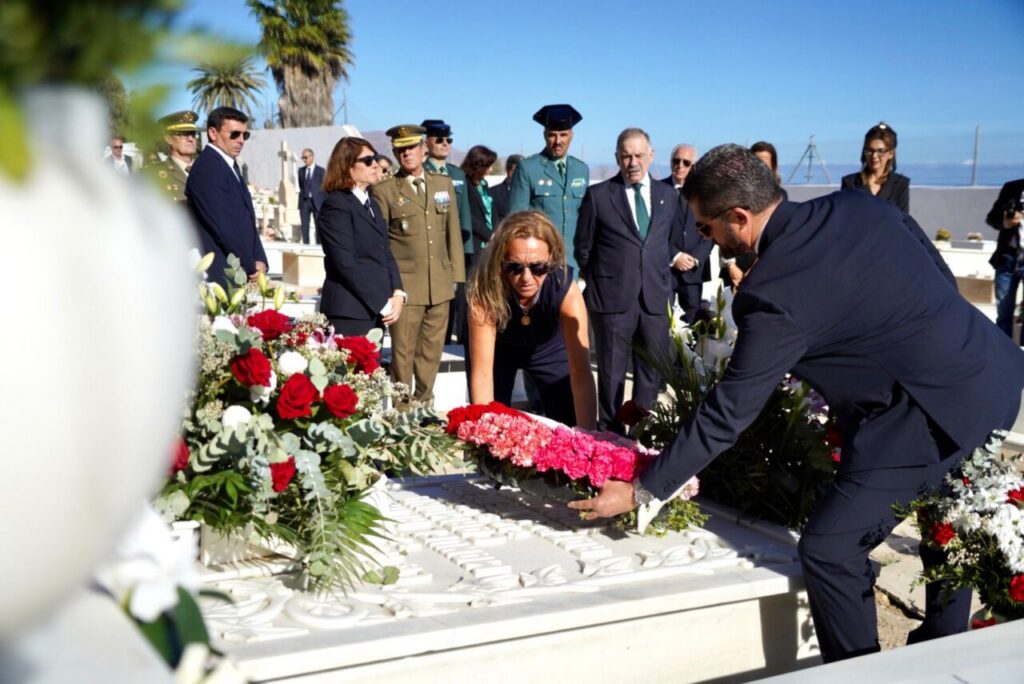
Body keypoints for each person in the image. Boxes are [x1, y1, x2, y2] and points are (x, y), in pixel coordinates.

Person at [570, 143, 1024, 663]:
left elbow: (729, 411)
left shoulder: (772, 292)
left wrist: (643, 490)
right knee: (948, 520)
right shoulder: (860, 206)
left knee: (831, 549)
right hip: (992, 373)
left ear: (739, 217)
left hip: (923, 414)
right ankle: (942, 653)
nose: (703, 238)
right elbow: (937, 280)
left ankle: (866, 675)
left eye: (705, 227)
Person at [575, 128, 677, 434]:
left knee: (650, 375)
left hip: (655, 301)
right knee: (611, 373)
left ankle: (641, 436)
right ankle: (610, 437)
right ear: (617, 157)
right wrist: (604, 281)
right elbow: (583, 248)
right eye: (626, 156)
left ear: (651, 156)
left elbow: (668, 244)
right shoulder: (598, 196)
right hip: (612, 301)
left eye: (638, 155)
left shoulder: (668, 196)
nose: (632, 162)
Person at [467, 210, 596, 428]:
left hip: (549, 347)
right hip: (500, 349)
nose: (526, 278)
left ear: (551, 259)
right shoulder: (484, 290)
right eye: (514, 267)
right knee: (491, 424)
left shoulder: (565, 290)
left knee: (569, 418)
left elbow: (580, 373)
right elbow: (482, 374)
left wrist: (588, 437)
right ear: (501, 262)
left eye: (538, 267)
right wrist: (484, 438)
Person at [372, 124, 465, 405]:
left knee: (431, 351)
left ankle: (424, 405)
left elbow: (453, 231)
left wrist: (456, 276)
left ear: (423, 149)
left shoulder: (442, 184)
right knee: (402, 353)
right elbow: (381, 244)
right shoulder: (385, 191)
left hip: (439, 284)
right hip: (405, 287)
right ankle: (401, 411)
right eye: (400, 149)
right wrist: (390, 287)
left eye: (411, 147)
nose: (406, 153)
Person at [317, 136, 405, 337]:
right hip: (350, 312)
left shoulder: (371, 204)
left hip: (375, 310)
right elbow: (345, 263)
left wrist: (398, 292)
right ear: (348, 166)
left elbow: (385, 252)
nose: (375, 165)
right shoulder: (337, 205)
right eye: (367, 161)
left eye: (375, 159)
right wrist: (381, 302)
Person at [185, 106, 267, 286]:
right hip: (222, 272)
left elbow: (247, 220)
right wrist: (250, 264)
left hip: (239, 268)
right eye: (234, 134)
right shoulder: (207, 169)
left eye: (244, 135)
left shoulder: (229, 165)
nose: (240, 140)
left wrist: (261, 259)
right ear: (213, 133)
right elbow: (225, 226)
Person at [509, 104, 589, 270]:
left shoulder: (581, 169)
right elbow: (516, 222)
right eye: (552, 135)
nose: (558, 141)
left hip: (572, 263)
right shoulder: (528, 168)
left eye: (563, 135)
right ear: (544, 135)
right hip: (540, 265)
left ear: (571, 136)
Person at [421, 119, 474, 344]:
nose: (445, 144)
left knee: (453, 299)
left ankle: (447, 344)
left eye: (448, 140)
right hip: (430, 249)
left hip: (454, 249)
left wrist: (466, 252)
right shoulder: (421, 172)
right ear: (427, 143)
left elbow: (464, 215)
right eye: (439, 140)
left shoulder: (457, 174)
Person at [723, 140, 787, 289]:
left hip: (764, 268)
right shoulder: (733, 194)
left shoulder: (781, 197)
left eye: (764, 163)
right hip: (734, 267)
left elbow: (780, 236)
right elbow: (724, 229)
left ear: (773, 167)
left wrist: (756, 268)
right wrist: (731, 265)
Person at [663, 143, 711, 323]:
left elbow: (712, 230)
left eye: (686, 162)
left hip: (693, 272)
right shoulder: (657, 190)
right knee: (662, 322)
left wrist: (695, 258)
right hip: (664, 270)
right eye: (676, 161)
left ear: (694, 166)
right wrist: (675, 256)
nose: (680, 166)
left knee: (693, 326)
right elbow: (651, 232)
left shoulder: (705, 194)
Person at [985, 177, 1024, 342]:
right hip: (1008, 257)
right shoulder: (1012, 188)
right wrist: (1006, 222)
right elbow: (991, 218)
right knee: (1004, 312)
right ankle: (1004, 356)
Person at [841, 122, 909, 213]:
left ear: (891, 153)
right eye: (870, 150)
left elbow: (903, 221)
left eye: (881, 151)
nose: (874, 156)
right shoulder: (850, 183)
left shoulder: (900, 184)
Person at [147, 110, 199, 203]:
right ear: (168, 139)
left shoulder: (208, 171)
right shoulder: (152, 175)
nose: (190, 139)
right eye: (183, 134)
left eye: (193, 134)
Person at [462, 145, 499, 256]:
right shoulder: (464, 184)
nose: (491, 170)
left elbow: (491, 211)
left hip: (490, 244)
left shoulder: (484, 185)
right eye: (488, 167)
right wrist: (488, 235)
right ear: (478, 166)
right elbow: (468, 216)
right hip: (474, 245)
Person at [297, 148, 327, 245]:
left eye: (306, 157)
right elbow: (301, 185)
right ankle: (306, 244)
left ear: (312, 157)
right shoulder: (301, 171)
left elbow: (324, 187)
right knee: (304, 226)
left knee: (318, 225)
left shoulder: (321, 171)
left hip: (317, 202)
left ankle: (319, 245)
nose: (304, 160)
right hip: (305, 202)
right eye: (303, 158)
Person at [488, 153, 523, 227]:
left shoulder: (532, 193)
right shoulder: (493, 193)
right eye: (515, 171)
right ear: (508, 170)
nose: (519, 174)